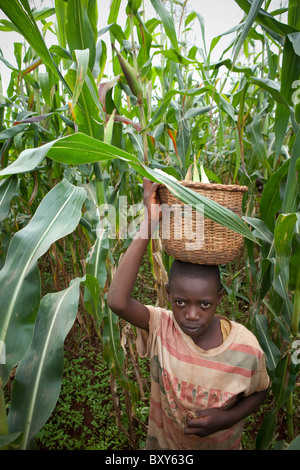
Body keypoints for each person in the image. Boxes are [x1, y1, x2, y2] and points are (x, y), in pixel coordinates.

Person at [107, 178, 270, 450]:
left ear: (219, 298)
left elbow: (261, 392)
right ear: (168, 294)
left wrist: (226, 418)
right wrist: (150, 222)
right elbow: (117, 301)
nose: (191, 315)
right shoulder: (162, 326)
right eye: (181, 303)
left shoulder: (246, 348)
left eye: (204, 304)